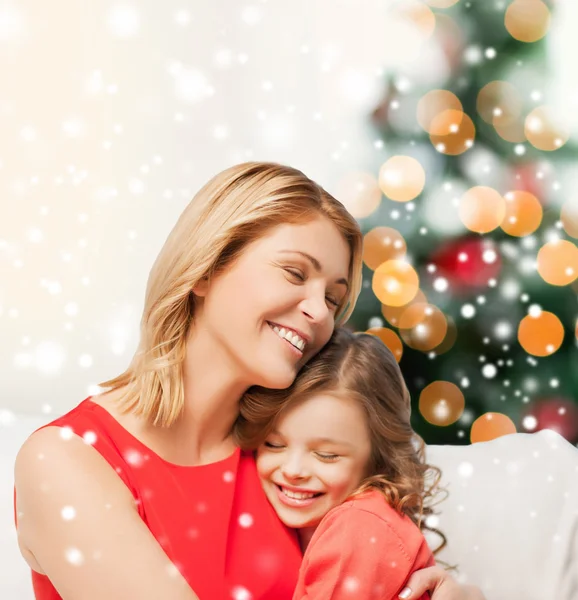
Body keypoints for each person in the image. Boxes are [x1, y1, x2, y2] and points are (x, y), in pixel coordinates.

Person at [14, 162, 486, 600]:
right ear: (206, 268)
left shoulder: (283, 461)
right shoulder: (64, 461)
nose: (319, 311)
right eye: (294, 272)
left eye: (333, 298)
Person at [235, 328, 442, 599]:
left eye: (326, 455)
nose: (293, 469)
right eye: (274, 444)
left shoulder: (359, 528)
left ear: (379, 458)